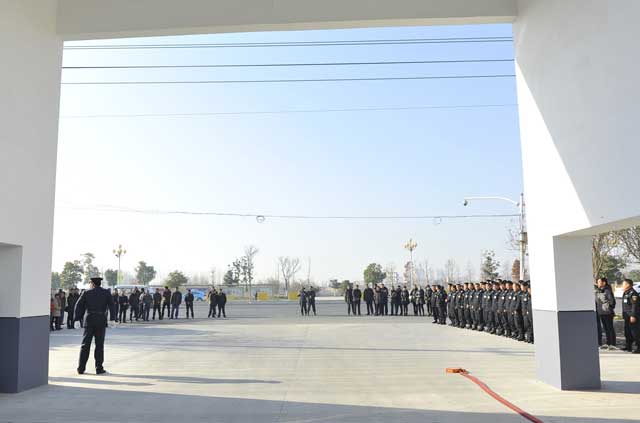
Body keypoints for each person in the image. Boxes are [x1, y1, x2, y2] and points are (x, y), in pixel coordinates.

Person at [74, 277, 115, 375]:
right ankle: (99, 368)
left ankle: (81, 368)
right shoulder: (106, 293)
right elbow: (112, 305)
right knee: (99, 345)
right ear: (100, 283)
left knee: (85, 345)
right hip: (101, 320)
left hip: (89, 320)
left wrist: (77, 319)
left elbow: (79, 305)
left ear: (92, 283)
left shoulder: (86, 292)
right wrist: (112, 318)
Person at [595, 277, 616, 349]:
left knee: (610, 328)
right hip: (601, 312)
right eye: (597, 282)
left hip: (607, 312)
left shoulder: (607, 290)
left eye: (599, 282)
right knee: (606, 328)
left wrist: (607, 307)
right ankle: (608, 343)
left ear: (604, 283)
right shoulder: (599, 291)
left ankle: (612, 344)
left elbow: (612, 302)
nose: (597, 283)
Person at [621, 278, 640, 353]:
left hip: (632, 316)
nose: (622, 285)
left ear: (628, 285)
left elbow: (634, 306)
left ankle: (639, 347)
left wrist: (633, 315)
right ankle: (628, 346)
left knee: (635, 333)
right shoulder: (626, 293)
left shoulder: (633, 294)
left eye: (623, 284)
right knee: (627, 332)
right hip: (627, 316)